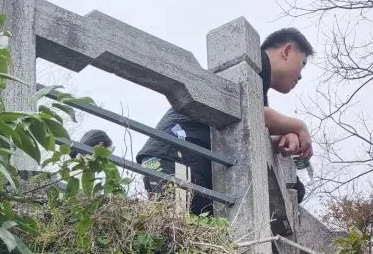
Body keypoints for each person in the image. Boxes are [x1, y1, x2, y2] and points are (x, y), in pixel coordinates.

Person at [135, 27, 315, 215]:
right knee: (179, 225)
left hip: (176, 159)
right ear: (287, 51)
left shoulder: (257, 85)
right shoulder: (251, 68)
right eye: (302, 64)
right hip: (177, 157)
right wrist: (298, 126)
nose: (300, 76)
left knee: (187, 228)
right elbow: (248, 109)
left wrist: (282, 139)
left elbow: (244, 135)